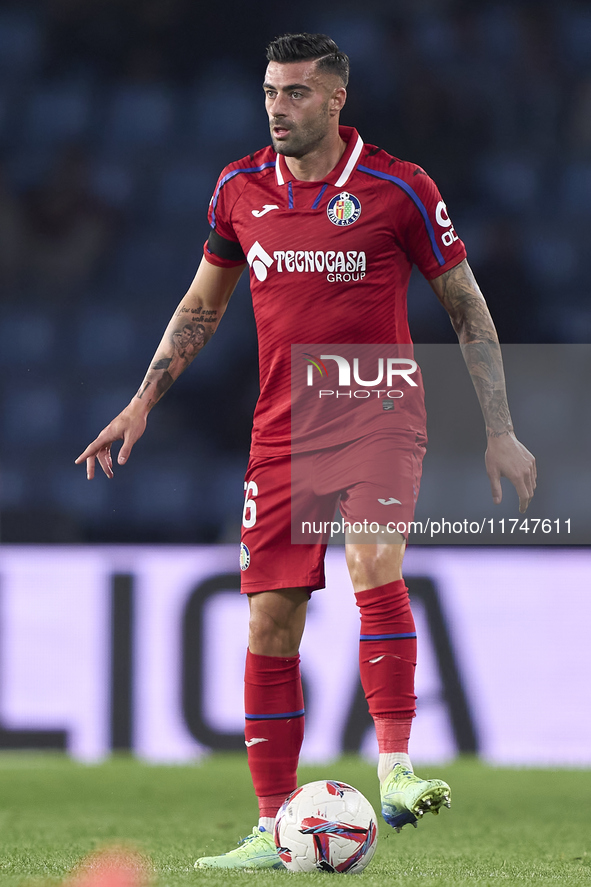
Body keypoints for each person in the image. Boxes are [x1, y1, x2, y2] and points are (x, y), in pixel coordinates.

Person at [76, 33, 536, 870]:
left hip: (377, 404)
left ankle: (394, 768)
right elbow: (202, 303)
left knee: (372, 561)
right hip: (283, 426)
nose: (276, 107)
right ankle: (268, 825)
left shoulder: (399, 187)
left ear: (334, 100)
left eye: (293, 93)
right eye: (268, 92)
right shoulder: (238, 188)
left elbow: (467, 307)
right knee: (270, 617)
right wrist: (142, 400)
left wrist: (498, 427)